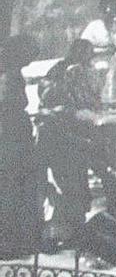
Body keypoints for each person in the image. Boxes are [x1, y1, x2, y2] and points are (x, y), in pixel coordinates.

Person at [37, 38, 101, 248]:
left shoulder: (60, 70)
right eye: (88, 53)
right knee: (71, 184)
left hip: (65, 137)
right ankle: (69, 232)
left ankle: (71, 230)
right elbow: (79, 104)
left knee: (71, 184)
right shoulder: (71, 72)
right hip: (64, 137)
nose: (90, 58)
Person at [0, 36, 38, 258]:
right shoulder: (8, 75)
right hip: (10, 139)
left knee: (14, 189)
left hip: (14, 137)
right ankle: (9, 241)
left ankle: (13, 239)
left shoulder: (12, 72)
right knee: (11, 189)